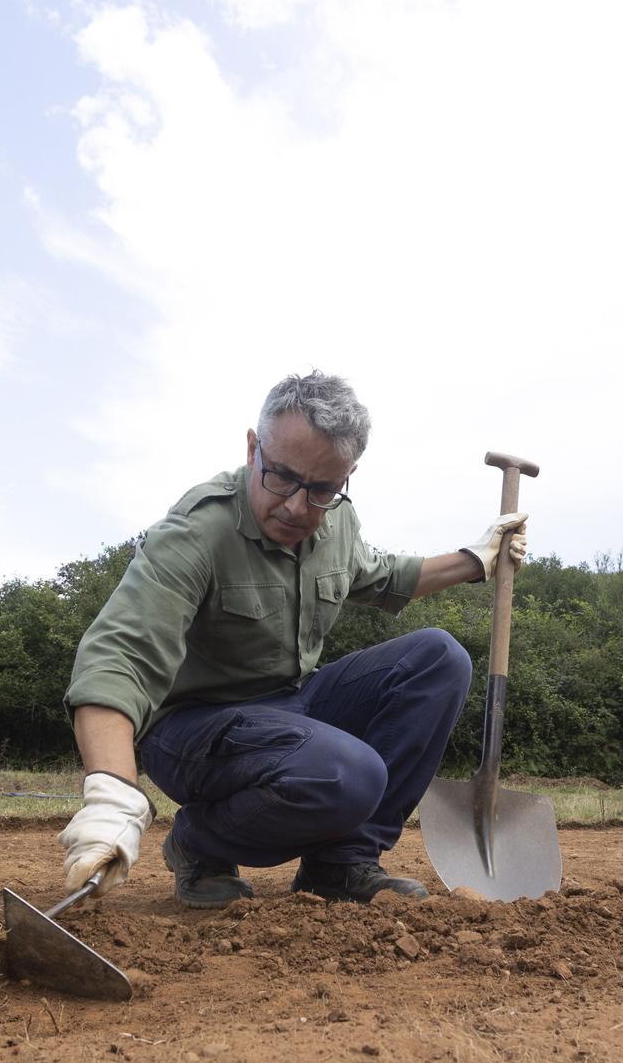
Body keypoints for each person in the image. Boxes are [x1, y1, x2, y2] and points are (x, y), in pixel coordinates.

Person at [56, 370, 529, 909]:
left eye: (322, 489)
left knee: (439, 658)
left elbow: (383, 576)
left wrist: (476, 559)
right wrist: (112, 793)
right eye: (281, 476)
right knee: (347, 776)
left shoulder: (336, 523)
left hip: (290, 708)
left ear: (347, 476)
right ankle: (198, 842)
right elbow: (119, 656)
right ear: (253, 448)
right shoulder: (197, 531)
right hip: (193, 732)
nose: (298, 508)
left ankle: (341, 863)